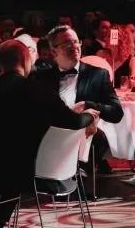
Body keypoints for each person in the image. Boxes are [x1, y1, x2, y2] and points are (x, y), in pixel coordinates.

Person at [0, 38, 97, 228]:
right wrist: (87, 116)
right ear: (25, 60)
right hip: (31, 169)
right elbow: (71, 122)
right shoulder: (40, 91)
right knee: (13, 173)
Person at [32, 26, 122, 175]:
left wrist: (87, 105)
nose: (74, 46)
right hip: (49, 134)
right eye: (67, 44)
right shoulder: (42, 77)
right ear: (54, 51)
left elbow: (116, 112)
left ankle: (78, 176)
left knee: (98, 138)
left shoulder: (97, 75)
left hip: (81, 136)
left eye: (76, 42)